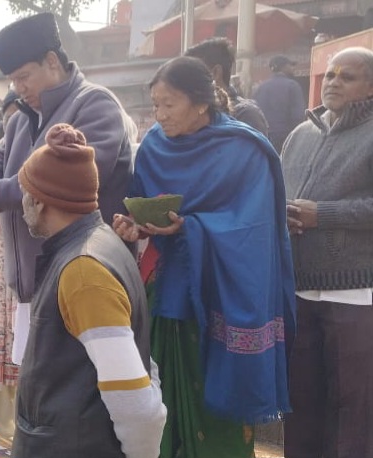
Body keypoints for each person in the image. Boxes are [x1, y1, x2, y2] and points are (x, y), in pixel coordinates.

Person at [113, 56, 295, 458]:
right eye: (155, 104)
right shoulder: (154, 147)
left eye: (169, 104)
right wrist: (135, 226)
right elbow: (144, 205)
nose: (160, 115)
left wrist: (190, 227)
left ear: (200, 102)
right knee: (161, 399)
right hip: (164, 290)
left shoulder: (244, 148)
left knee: (216, 411)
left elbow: (254, 226)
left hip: (221, 293)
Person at [0, 12, 136, 364]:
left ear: (52, 61)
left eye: (23, 77)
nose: (18, 88)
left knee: (86, 383)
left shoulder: (95, 103)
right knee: (40, 387)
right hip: (33, 287)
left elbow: (73, 176)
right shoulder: (20, 120)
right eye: (12, 80)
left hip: (86, 279)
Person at [11, 123, 166, 457]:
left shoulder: (83, 271)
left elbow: (137, 407)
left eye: (25, 193)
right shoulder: (99, 244)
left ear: (39, 201)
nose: (22, 205)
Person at [281, 47, 373, 458]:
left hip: (355, 294)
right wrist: (283, 214)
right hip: (300, 290)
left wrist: (323, 214)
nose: (333, 82)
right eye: (330, 74)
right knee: (301, 404)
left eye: (347, 76)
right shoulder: (301, 134)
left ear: (370, 87)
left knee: (352, 409)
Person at [185, 37, 268, 135]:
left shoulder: (244, 114)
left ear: (215, 73)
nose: (185, 82)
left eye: (191, 74)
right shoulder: (193, 113)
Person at [254, 55, 306, 153]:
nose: (293, 68)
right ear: (284, 67)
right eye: (290, 65)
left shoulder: (260, 88)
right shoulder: (292, 86)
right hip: (285, 139)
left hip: (264, 138)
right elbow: (298, 116)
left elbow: (255, 113)